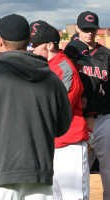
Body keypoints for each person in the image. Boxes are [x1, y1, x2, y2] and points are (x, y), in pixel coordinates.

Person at [0, 14, 72, 200]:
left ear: (0, 40)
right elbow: (62, 127)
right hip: (39, 175)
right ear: (28, 40)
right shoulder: (52, 79)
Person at [30, 20, 90, 199]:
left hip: (69, 143)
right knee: (54, 196)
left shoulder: (65, 68)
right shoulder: (43, 66)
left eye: (35, 44)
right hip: (50, 144)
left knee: (74, 196)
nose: (32, 48)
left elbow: (56, 109)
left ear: (49, 45)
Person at [76, 10, 110, 199]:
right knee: (79, 173)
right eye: (86, 29)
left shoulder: (106, 55)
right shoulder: (71, 54)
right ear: (78, 29)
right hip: (79, 120)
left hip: (105, 119)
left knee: (109, 172)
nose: (90, 32)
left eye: (93, 29)